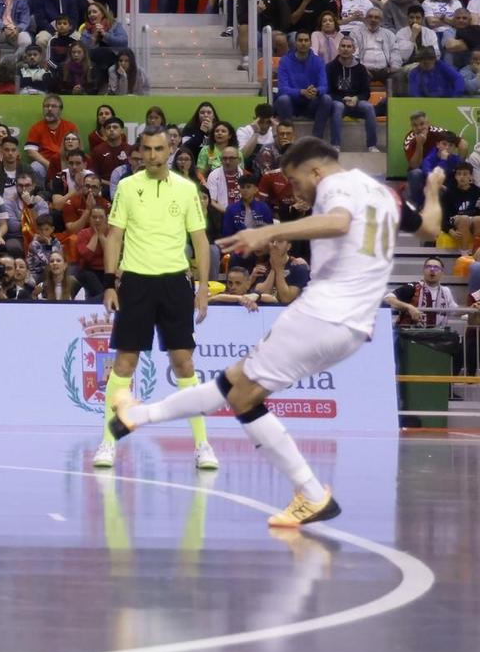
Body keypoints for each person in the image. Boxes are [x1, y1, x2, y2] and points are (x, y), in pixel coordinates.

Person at [110, 139, 408, 528]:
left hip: (324, 313)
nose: (294, 189)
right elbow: (427, 223)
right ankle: (138, 416)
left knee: (245, 396)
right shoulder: (381, 192)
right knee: (234, 381)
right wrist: (433, 193)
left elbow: (338, 221)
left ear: (315, 170)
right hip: (354, 324)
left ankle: (312, 493)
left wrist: (266, 234)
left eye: (294, 179)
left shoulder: (337, 185)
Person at [91, 125, 217, 472]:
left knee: (184, 364)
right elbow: (114, 236)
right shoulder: (128, 187)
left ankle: (202, 444)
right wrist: (110, 282)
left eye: (158, 149)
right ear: (140, 151)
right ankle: (108, 441)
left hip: (175, 283)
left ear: (169, 151)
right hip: (135, 283)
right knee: (123, 364)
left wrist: (203, 288)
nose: (152, 155)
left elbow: (201, 242)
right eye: (146, 149)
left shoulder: (187, 188)